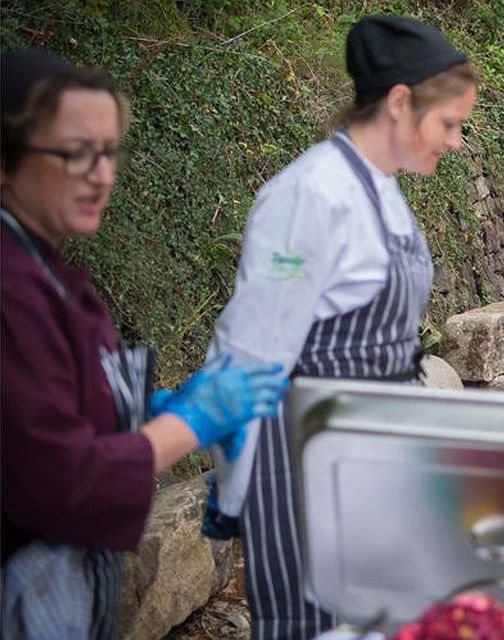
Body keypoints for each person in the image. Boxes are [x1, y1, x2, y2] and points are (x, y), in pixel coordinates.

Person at [203, 16, 477, 640]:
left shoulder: (383, 192)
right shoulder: (311, 195)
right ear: (400, 103)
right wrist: (232, 480)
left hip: (371, 454)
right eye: (449, 124)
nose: (456, 142)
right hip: (305, 462)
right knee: (313, 623)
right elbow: (250, 350)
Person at [0, 49, 286, 639]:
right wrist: (190, 424)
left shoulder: (43, 265)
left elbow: (43, 403)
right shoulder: (10, 289)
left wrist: (136, 408)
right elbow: (60, 479)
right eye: (76, 153)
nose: (101, 175)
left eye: (109, 152)